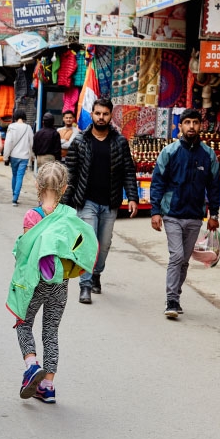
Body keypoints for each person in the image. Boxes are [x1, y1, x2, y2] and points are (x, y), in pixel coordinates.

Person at [8, 161, 97, 403]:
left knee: (23, 323)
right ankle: (47, 386)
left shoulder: (31, 216)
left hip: (35, 282)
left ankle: (31, 365)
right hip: (60, 283)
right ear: (65, 187)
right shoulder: (68, 216)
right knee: (51, 331)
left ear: (37, 185)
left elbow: (26, 253)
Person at [61, 97, 139, 304]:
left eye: (105, 114)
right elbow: (70, 173)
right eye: (98, 113)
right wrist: (64, 205)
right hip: (86, 202)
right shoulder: (80, 141)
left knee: (103, 245)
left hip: (110, 202)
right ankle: (85, 285)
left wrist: (132, 197)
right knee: (88, 242)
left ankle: (97, 273)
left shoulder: (119, 142)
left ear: (110, 115)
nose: (101, 117)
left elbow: (128, 171)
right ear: (92, 115)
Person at [150, 108, 220, 319]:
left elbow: (215, 186)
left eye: (195, 122)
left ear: (201, 126)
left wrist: (214, 215)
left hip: (195, 216)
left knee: (185, 260)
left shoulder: (208, 155)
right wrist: (155, 211)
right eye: (187, 122)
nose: (191, 126)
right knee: (177, 255)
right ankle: (171, 299)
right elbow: (158, 182)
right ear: (179, 126)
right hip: (172, 214)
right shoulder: (169, 152)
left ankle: (176, 296)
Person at [2, 109, 34, 206]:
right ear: (24, 117)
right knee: (20, 176)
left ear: (15, 117)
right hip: (24, 157)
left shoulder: (11, 127)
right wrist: (31, 155)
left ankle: (14, 195)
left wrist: (5, 157)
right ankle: (15, 198)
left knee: (14, 175)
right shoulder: (28, 128)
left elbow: (8, 143)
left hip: (14, 156)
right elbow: (31, 143)